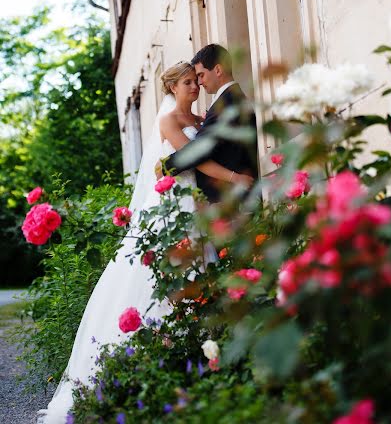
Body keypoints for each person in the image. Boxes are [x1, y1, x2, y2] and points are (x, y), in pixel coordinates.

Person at [37, 61, 252, 423]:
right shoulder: (168, 120)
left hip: (193, 206)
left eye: (195, 82)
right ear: (172, 88)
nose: (194, 87)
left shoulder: (199, 119)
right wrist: (235, 177)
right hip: (172, 207)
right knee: (165, 273)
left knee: (199, 270)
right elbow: (196, 160)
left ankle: (203, 351)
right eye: (187, 82)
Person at [160, 44, 258, 204]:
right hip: (195, 194)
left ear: (218, 70)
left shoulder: (228, 103)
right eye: (188, 82)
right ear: (173, 88)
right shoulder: (229, 100)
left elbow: (200, 150)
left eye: (199, 76)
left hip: (229, 195)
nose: (197, 84)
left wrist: (165, 165)